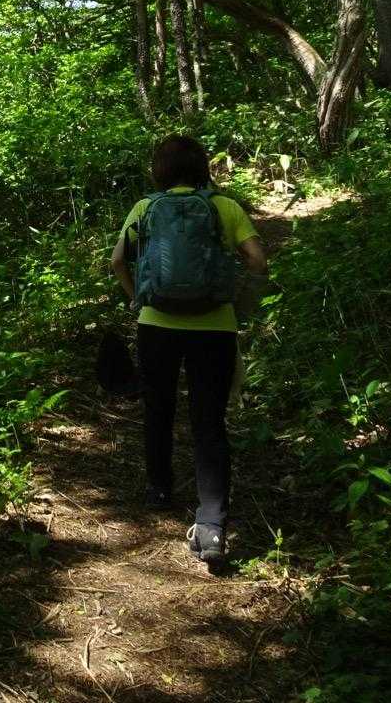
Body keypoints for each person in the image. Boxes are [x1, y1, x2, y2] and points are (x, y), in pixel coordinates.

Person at [109, 135, 269, 565]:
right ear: (202, 168)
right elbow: (257, 261)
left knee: (158, 407)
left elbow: (117, 262)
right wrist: (240, 304)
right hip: (214, 327)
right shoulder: (224, 207)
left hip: (156, 324)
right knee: (208, 421)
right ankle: (212, 524)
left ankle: (159, 489)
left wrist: (137, 300)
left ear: (159, 169)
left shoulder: (145, 208)